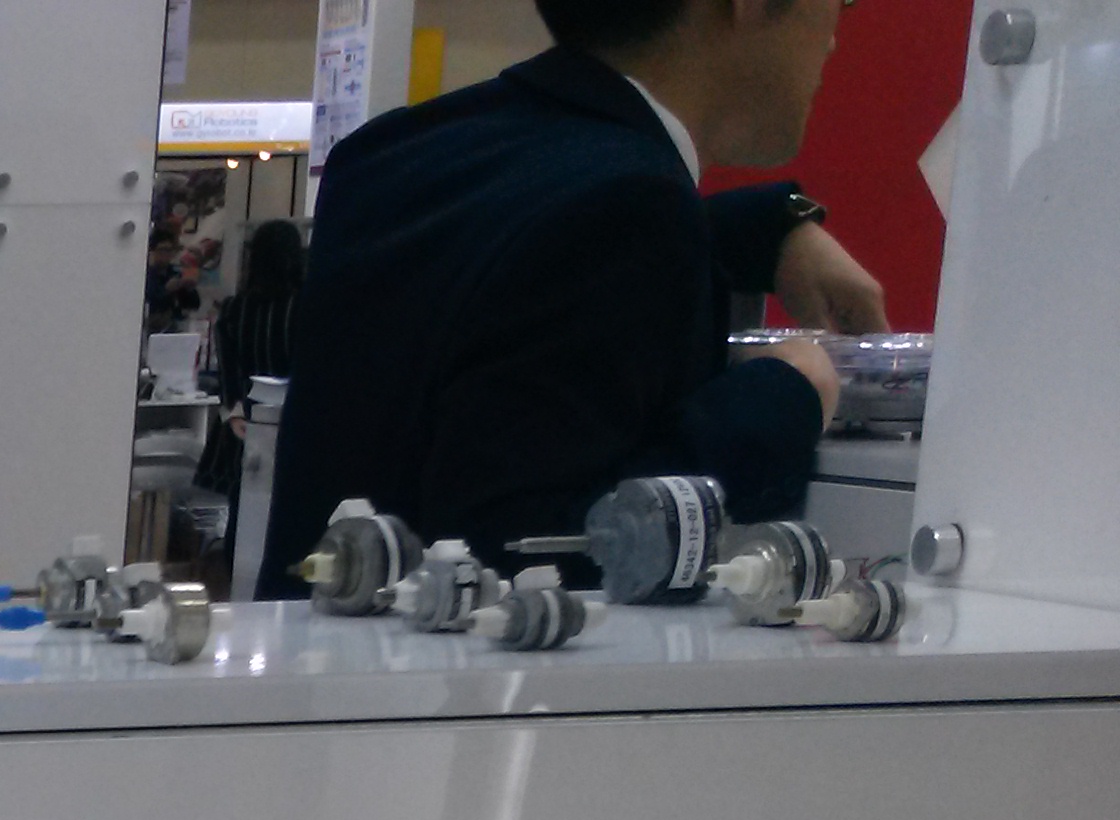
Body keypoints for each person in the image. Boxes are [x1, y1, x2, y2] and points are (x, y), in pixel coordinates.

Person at [258, 0, 885, 598]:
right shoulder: (628, 204)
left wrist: (767, 228)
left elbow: (503, 264)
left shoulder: (389, 152)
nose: (835, 36)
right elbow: (535, 552)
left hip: (315, 650)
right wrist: (785, 395)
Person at [198, 217, 305, 501]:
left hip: (246, 419)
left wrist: (234, 412)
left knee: (242, 509)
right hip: (294, 422)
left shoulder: (235, 309)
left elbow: (228, 373)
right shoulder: (306, 309)